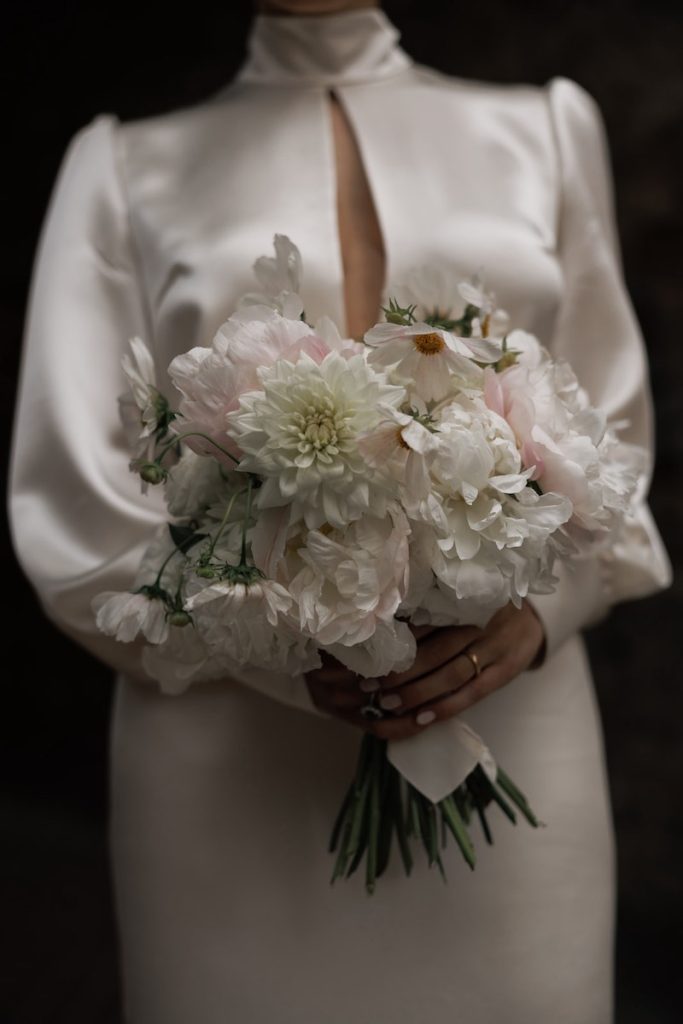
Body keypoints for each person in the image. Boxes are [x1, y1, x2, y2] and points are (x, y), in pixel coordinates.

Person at [8, 2, 672, 1022]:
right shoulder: (120, 167)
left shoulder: (543, 127)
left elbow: (610, 433)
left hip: (506, 712)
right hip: (226, 753)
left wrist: (542, 613)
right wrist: (271, 644)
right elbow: (70, 495)